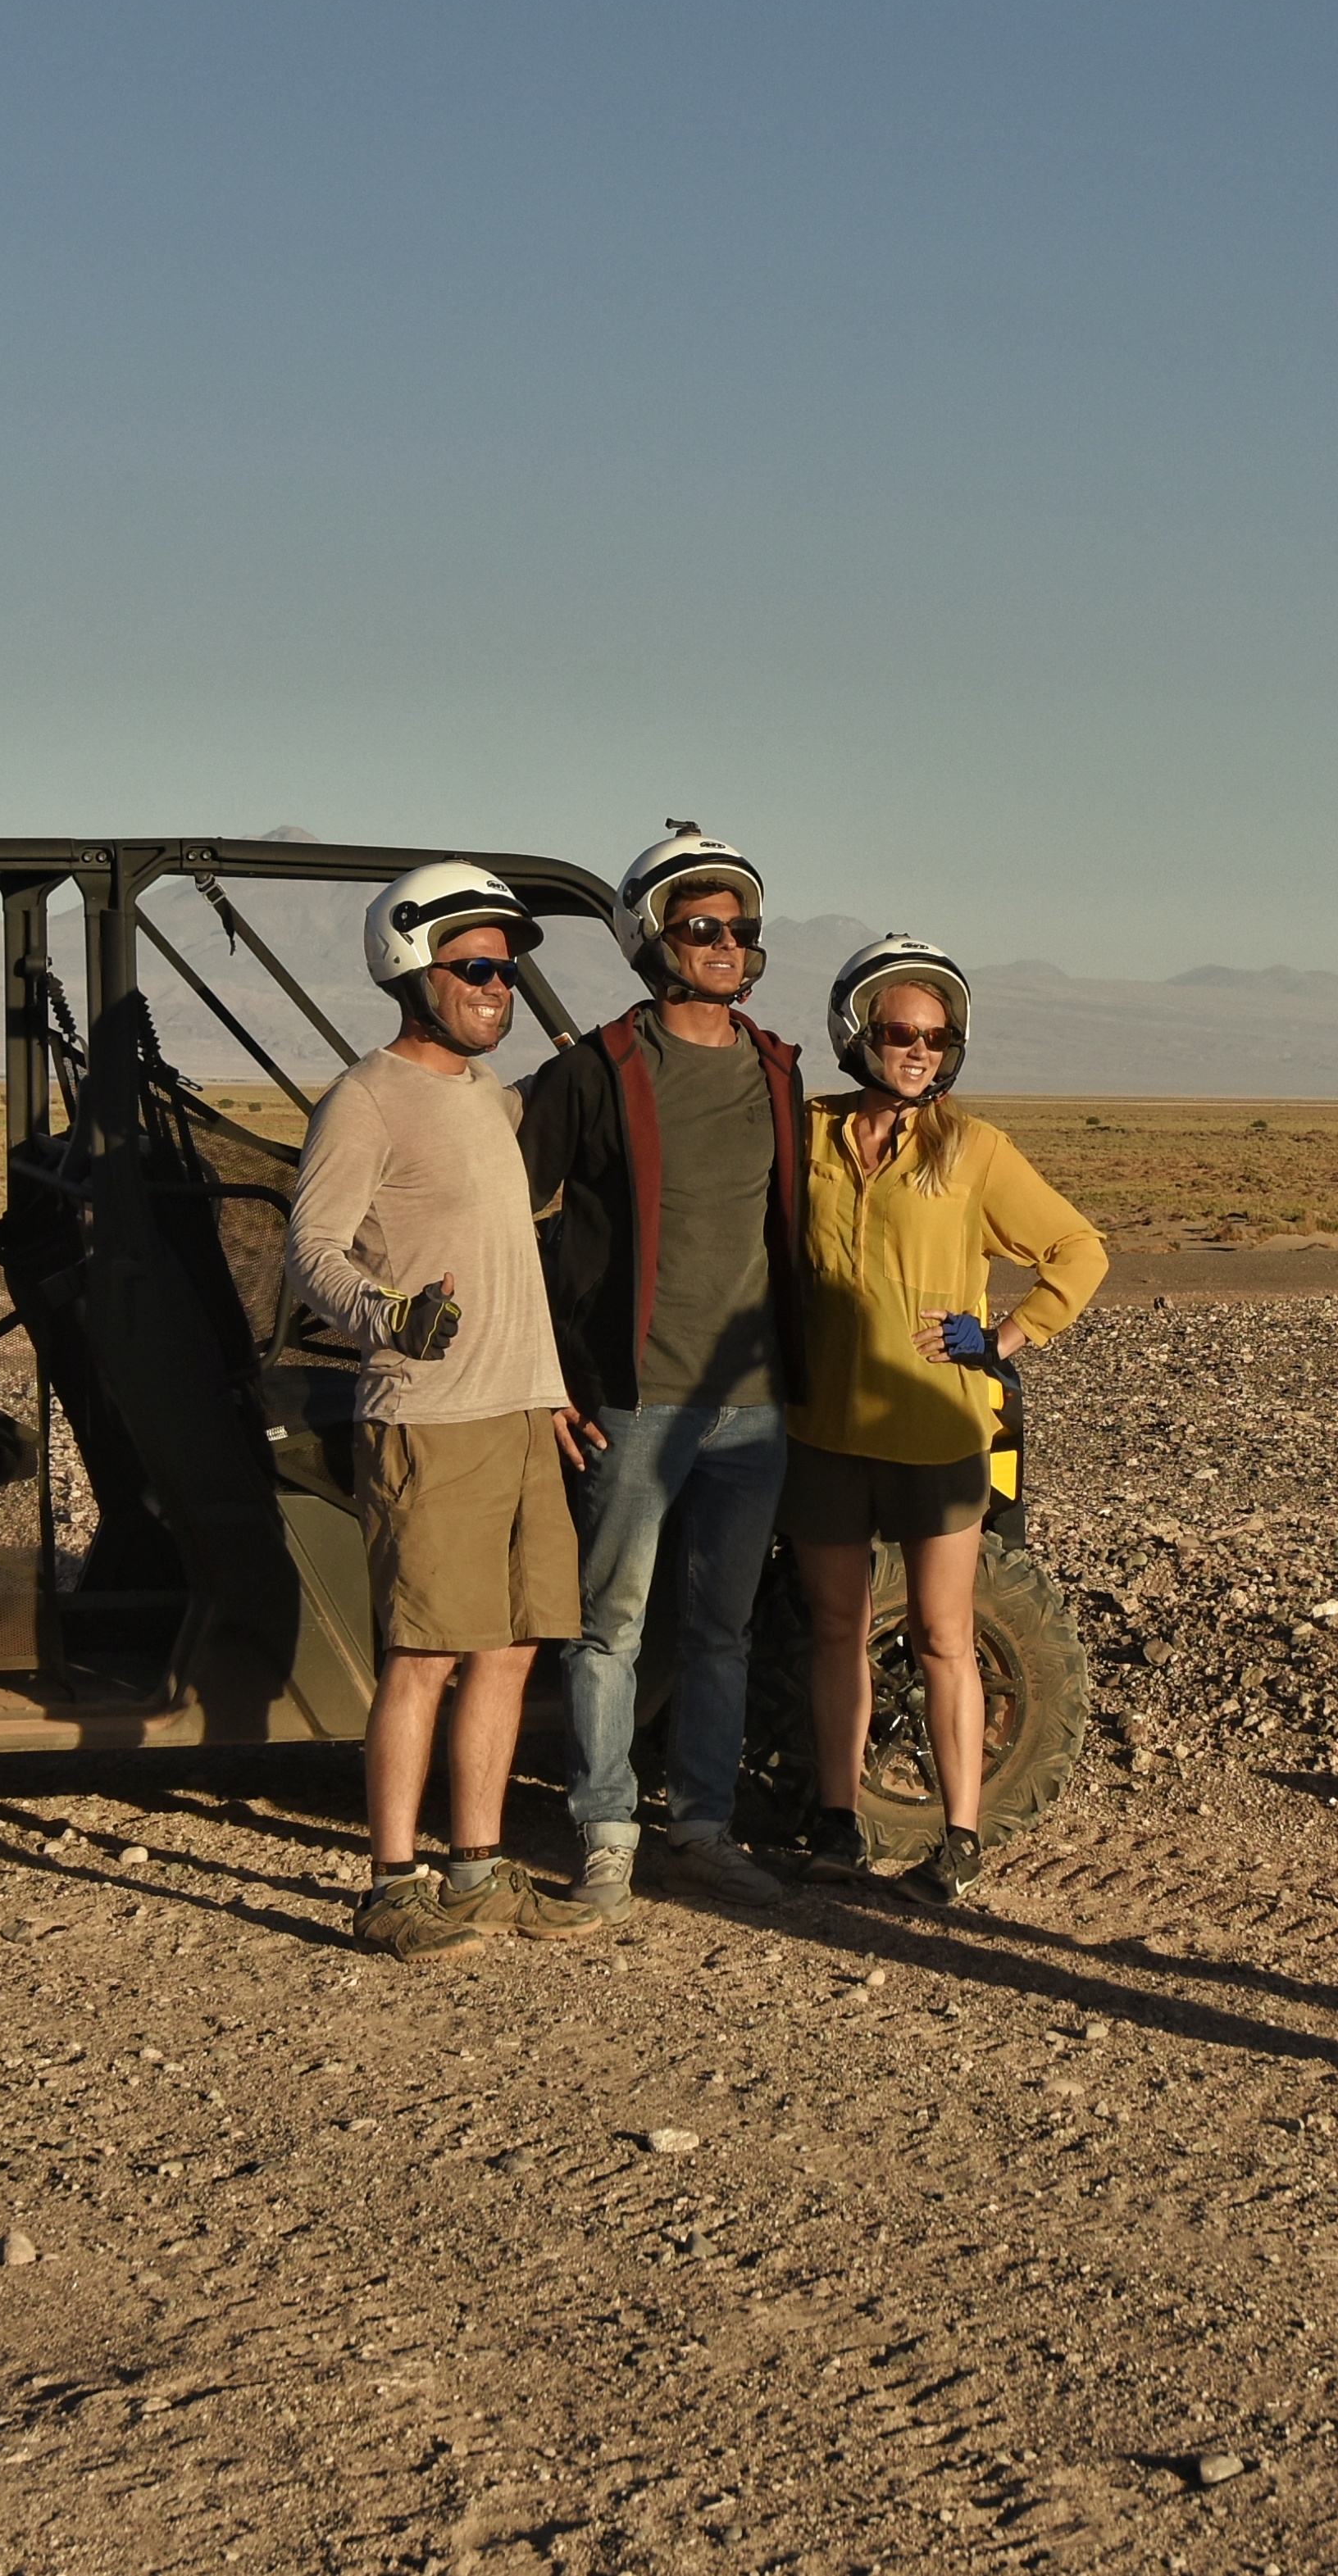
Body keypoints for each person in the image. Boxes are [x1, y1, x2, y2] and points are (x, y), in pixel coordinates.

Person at [284, 861, 606, 1967]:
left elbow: (513, 1260)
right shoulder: (366, 1096)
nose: (496, 988)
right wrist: (385, 1314)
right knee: (423, 1651)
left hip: (519, 1412)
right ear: (411, 967)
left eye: (505, 973)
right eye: (474, 967)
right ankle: (389, 1885)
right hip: (428, 1417)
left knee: (511, 1648)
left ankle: (477, 1869)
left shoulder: (493, 1102)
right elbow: (311, 1247)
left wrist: (551, 1387)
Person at [522, 823, 812, 1916]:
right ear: (652, 937)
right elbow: (509, 1219)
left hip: (752, 1409)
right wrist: (545, 1375)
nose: (728, 943)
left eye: (741, 927)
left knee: (720, 1630)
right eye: (704, 926)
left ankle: (699, 1825)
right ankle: (603, 1832)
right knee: (610, 1626)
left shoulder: (778, 1072)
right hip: (632, 1400)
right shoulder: (593, 1072)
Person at [783, 937, 1105, 1908]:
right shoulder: (802, 1134)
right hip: (822, 1429)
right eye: (897, 1031)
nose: (917, 1048)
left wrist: (1005, 1337)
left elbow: (1077, 1249)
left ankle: (958, 1837)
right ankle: (838, 1824)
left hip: (937, 1432)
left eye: (935, 1034)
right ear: (856, 1032)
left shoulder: (970, 1150)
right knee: (836, 1624)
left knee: (941, 1632)